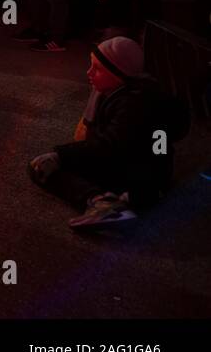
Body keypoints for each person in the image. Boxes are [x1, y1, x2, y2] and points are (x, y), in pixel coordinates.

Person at [29, 37, 178, 229]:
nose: (89, 73)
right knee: (45, 166)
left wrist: (61, 155)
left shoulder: (133, 104)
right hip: (140, 169)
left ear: (118, 73)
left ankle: (100, 202)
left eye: (97, 69)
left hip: (139, 177)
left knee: (41, 168)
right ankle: (107, 201)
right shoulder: (124, 94)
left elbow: (109, 144)